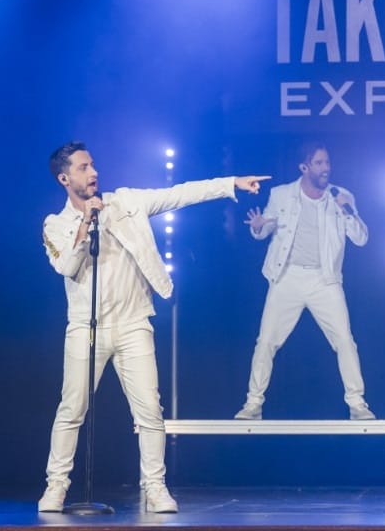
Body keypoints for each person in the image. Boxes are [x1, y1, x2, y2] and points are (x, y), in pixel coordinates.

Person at [39, 141, 268, 513]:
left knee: (149, 410)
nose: (93, 172)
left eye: (93, 164)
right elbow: (67, 266)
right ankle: (56, 487)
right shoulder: (55, 224)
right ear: (64, 179)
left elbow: (179, 194)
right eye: (83, 168)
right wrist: (86, 222)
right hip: (86, 328)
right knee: (72, 409)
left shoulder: (126, 202)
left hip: (133, 324)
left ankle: (155, 487)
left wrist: (231, 183)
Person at [234, 142, 375, 421]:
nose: (326, 168)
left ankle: (357, 404)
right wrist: (258, 227)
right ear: (304, 167)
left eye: (327, 162)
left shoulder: (341, 196)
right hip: (287, 276)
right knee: (266, 341)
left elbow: (361, 239)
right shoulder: (282, 195)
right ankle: (253, 404)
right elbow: (264, 230)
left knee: (344, 340)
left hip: (325, 279)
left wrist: (347, 211)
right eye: (319, 163)